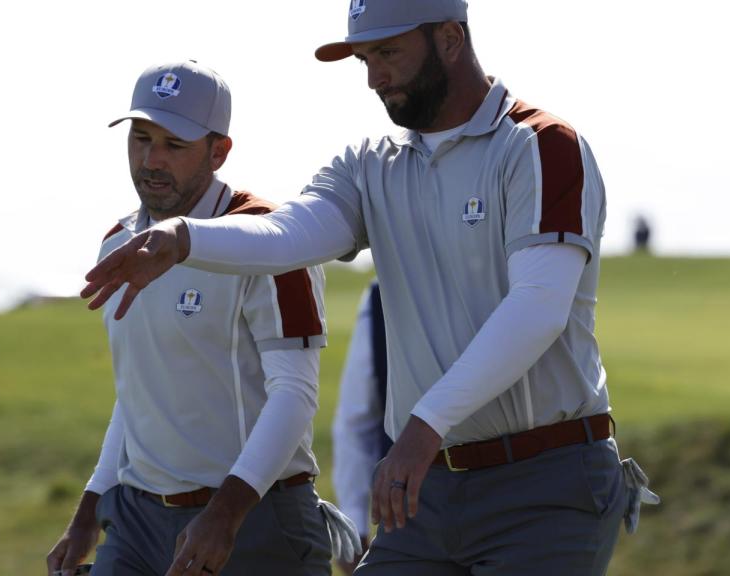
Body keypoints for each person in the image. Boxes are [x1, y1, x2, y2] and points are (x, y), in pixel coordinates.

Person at [82, 2, 659, 574]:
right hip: (427, 493)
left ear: (451, 38)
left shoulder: (541, 145)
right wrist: (184, 237)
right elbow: (289, 235)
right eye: (364, 57)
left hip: (545, 483)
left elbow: (538, 309)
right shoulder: (367, 165)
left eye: (388, 53)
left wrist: (423, 425)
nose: (374, 76)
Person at [47, 60, 359, 576]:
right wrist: (90, 506)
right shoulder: (119, 243)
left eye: (174, 145)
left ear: (219, 151)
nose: (150, 160)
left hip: (255, 519)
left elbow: (295, 395)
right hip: (137, 519)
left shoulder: (271, 240)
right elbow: (138, 394)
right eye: (141, 138)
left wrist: (225, 514)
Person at [331, 280, 389, 575]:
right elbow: (357, 420)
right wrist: (353, 522)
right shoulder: (380, 297)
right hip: (408, 512)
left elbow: (356, 420)